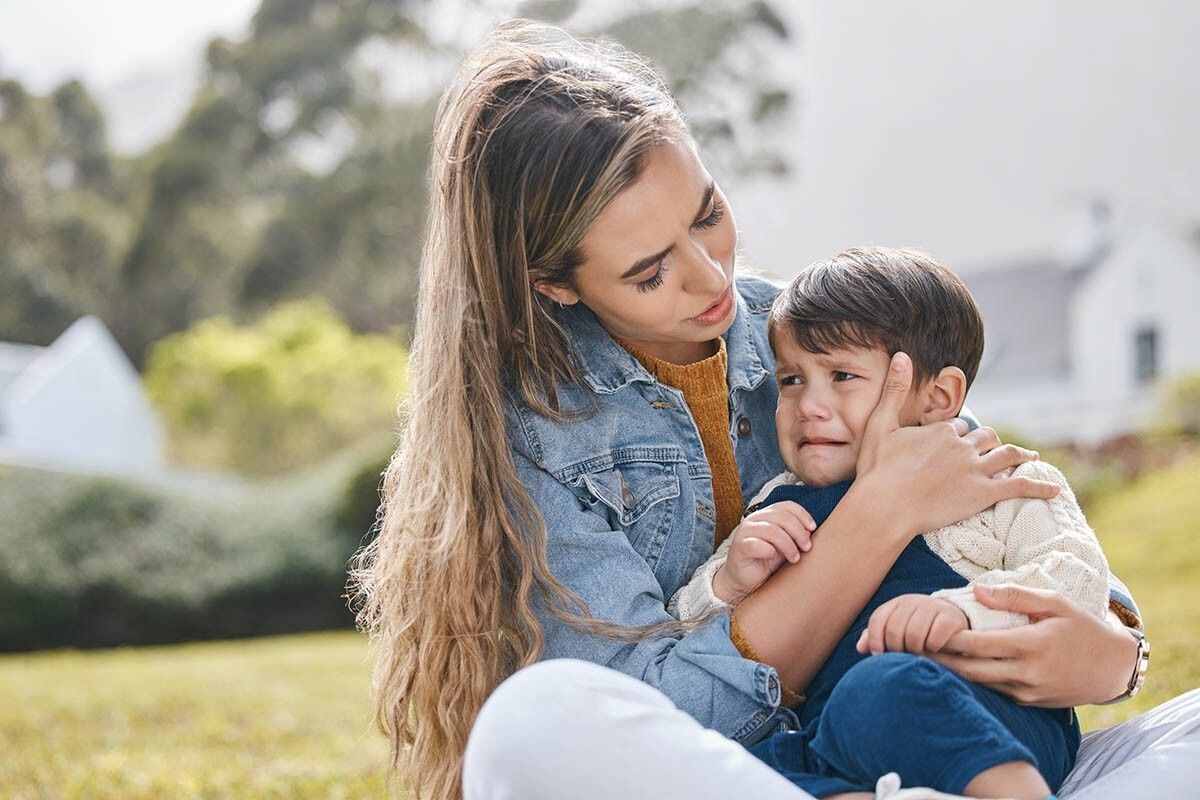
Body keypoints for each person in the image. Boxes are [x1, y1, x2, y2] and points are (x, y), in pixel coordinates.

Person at [349, 20, 1200, 800]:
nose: (714, 278)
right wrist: (873, 515)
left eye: (708, 214)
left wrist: (1114, 654)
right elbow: (654, 715)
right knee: (532, 723)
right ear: (555, 285)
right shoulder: (533, 438)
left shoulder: (815, 329)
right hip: (763, 776)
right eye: (650, 272)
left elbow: (1013, 517)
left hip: (955, 739)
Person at [669, 246, 1112, 799]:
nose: (809, 404)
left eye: (842, 375)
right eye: (791, 380)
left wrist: (960, 615)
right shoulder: (779, 504)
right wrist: (726, 582)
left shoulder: (1000, 483)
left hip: (989, 713)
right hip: (842, 737)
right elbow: (683, 634)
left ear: (938, 397)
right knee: (739, 768)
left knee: (886, 686)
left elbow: (1076, 579)